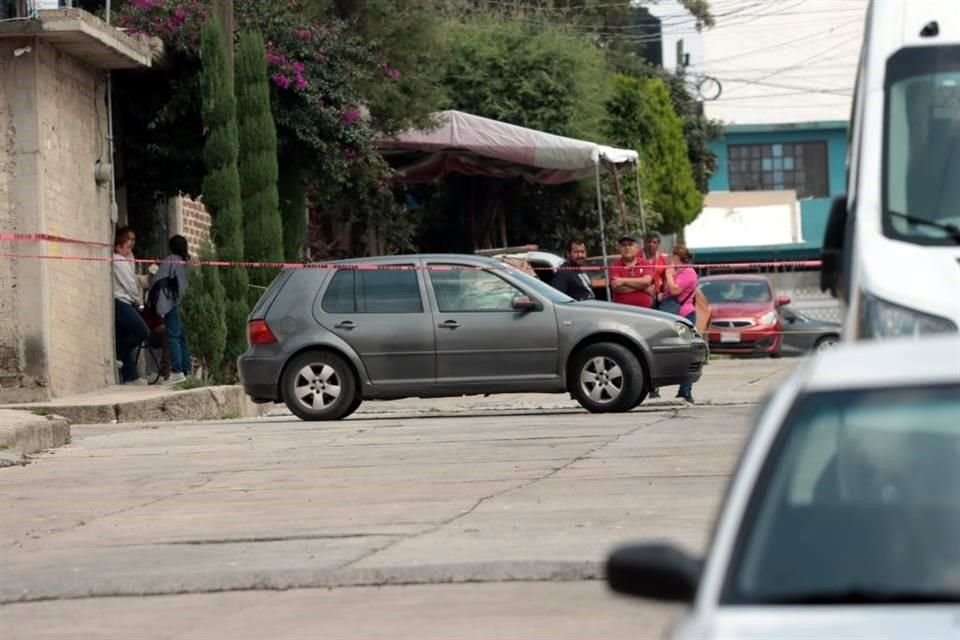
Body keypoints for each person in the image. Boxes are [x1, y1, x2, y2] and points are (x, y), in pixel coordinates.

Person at [147, 235, 191, 384]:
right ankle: (186, 370)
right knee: (182, 338)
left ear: (171, 247)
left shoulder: (170, 260)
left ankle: (177, 371)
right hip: (186, 304)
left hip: (173, 304)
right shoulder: (186, 262)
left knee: (172, 336)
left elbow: (157, 280)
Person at [660, 244, 699, 404]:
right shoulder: (678, 272)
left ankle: (685, 390)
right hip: (673, 315)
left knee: (687, 353)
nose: (669, 259)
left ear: (677, 257)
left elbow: (675, 290)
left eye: (672, 256)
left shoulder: (688, 272)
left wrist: (669, 275)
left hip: (684, 316)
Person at [113, 226, 150, 385]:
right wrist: (138, 301)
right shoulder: (118, 260)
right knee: (142, 331)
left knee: (123, 336)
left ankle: (131, 375)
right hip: (122, 302)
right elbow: (129, 284)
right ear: (118, 246)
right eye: (128, 244)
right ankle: (118, 355)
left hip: (127, 301)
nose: (131, 246)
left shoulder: (127, 259)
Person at [609, 235, 655, 308]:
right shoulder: (614, 265)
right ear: (619, 249)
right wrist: (643, 287)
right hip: (622, 311)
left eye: (630, 244)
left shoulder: (645, 263)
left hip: (646, 310)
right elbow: (616, 287)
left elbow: (646, 281)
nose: (627, 247)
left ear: (637, 248)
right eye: (623, 245)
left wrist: (623, 281)